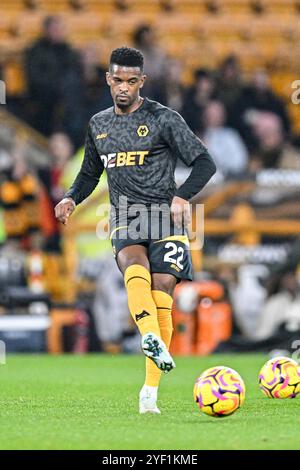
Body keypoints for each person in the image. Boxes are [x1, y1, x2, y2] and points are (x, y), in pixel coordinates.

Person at [54, 47, 216, 414]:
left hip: (165, 214)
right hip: (125, 213)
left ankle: (149, 393)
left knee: (162, 290)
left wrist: (183, 196)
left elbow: (205, 162)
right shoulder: (98, 125)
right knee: (132, 264)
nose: (123, 88)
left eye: (131, 81)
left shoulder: (164, 119)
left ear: (142, 81)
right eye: (117, 80)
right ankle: (149, 338)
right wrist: (70, 198)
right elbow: (89, 173)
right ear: (108, 80)